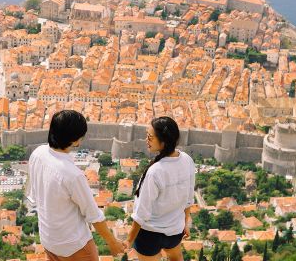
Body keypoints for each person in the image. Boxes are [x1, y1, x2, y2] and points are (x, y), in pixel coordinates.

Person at [27, 110, 125, 260]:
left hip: (48, 239)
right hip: (73, 246)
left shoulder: (37, 154)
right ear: (76, 140)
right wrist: (112, 242)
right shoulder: (72, 175)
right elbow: (93, 215)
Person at [124, 117, 196, 261]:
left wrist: (128, 240)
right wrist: (185, 223)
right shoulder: (187, 160)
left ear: (163, 142)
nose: (146, 140)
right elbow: (189, 198)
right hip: (175, 231)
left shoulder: (155, 171)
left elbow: (141, 213)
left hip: (149, 234)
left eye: (150, 137)